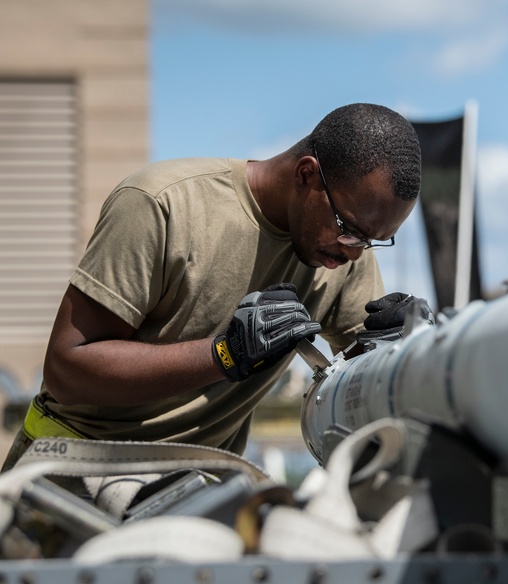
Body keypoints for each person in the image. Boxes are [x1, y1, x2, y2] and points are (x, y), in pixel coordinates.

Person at [2, 103, 423, 470]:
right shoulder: (162, 203)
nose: (355, 252)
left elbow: (357, 381)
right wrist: (225, 354)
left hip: (194, 482)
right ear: (306, 174)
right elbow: (65, 369)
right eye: (349, 230)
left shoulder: (343, 250)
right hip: (69, 470)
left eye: (373, 239)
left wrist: (397, 349)